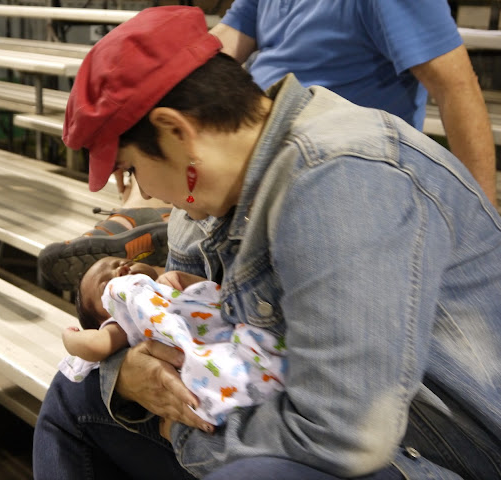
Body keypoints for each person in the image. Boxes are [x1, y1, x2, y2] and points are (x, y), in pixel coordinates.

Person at [33, 6, 501, 480]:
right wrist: (130, 376)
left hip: (434, 455)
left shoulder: (342, 179)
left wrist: (183, 434)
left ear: (176, 131)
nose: (146, 192)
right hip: (290, 414)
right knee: (77, 397)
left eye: (132, 170)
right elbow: (181, 343)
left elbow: (345, 436)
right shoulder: (202, 204)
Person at [37, 0, 498, 293]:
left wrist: (480, 220)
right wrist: (134, 102)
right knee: (165, 155)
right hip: (247, 151)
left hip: (324, 167)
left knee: (174, 164)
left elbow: (457, 86)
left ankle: (145, 217)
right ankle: (146, 214)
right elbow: (208, 54)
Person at [59, 256, 287, 427]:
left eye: (123, 262)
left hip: (228, 331)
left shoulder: (160, 287)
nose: (120, 269)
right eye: (106, 282)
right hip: (207, 355)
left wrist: (183, 280)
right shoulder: (124, 316)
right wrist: (71, 339)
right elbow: (96, 346)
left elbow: (211, 297)